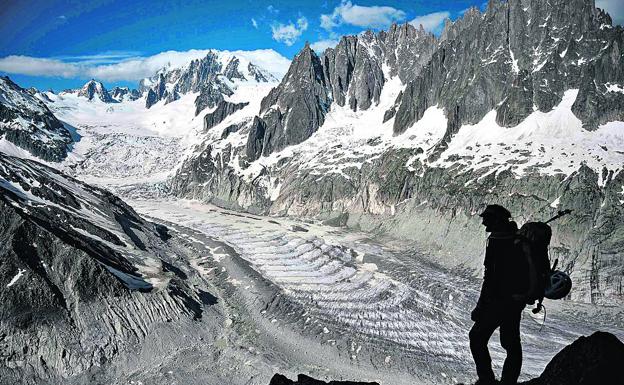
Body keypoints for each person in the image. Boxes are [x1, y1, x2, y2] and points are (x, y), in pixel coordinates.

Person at [469, 204, 529, 385]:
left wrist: (481, 306)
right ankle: (508, 381)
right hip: (515, 301)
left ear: (495, 220)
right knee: (510, 343)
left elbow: (491, 278)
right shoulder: (516, 238)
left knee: (477, 337)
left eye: (486, 219)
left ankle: (487, 380)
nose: (484, 223)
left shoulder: (498, 241)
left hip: (499, 301)